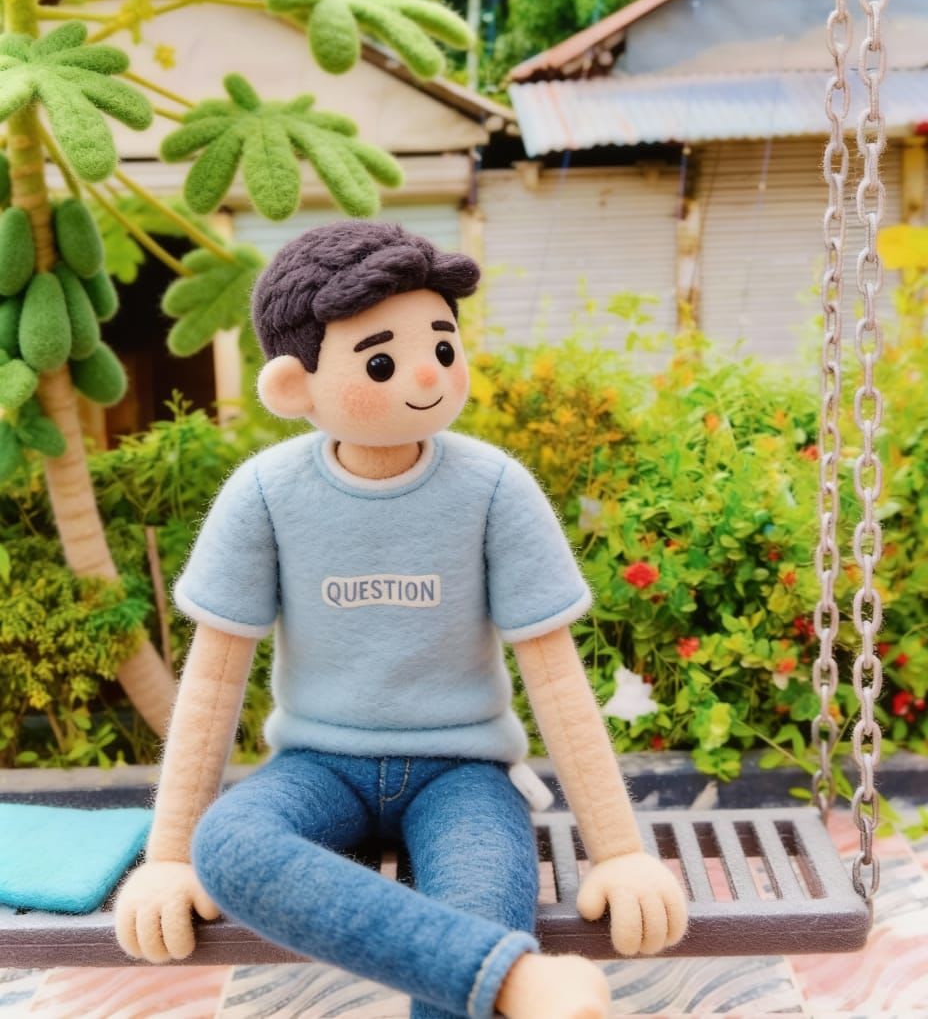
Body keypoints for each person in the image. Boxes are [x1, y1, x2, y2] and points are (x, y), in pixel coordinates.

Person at [115, 222, 687, 1019]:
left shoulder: (494, 489)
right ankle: (513, 982)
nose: (427, 373)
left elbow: (555, 677)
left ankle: (483, 968)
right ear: (294, 387)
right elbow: (212, 682)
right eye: (381, 361)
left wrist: (619, 851)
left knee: (484, 897)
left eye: (444, 346)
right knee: (230, 845)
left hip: (462, 771)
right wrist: (171, 854)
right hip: (319, 766)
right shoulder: (266, 494)